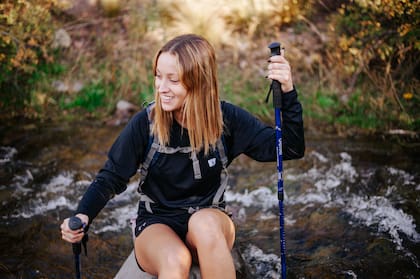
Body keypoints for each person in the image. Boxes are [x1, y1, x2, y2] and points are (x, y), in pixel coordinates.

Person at [60, 34, 304, 279]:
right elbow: (111, 176)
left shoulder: (226, 119)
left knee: (204, 224)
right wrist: (83, 214)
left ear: (198, 82)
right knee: (175, 260)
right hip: (156, 224)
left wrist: (288, 91)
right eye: (158, 76)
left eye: (172, 80)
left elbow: (289, 148)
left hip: (210, 219)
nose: (161, 87)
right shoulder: (146, 123)